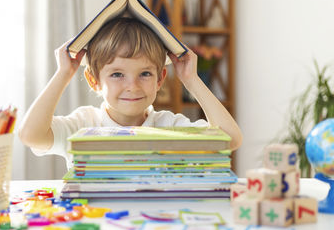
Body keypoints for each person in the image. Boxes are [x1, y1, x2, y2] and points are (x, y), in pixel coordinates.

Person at [19, 17, 242, 165]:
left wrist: (191, 80)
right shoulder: (83, 124)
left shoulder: (169, 125)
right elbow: (31, 135)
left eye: (145, 74)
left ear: (160, 79)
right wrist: (63, 74)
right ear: (93, 80)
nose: (132, 86)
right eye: (117, 74)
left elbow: (230, 140)